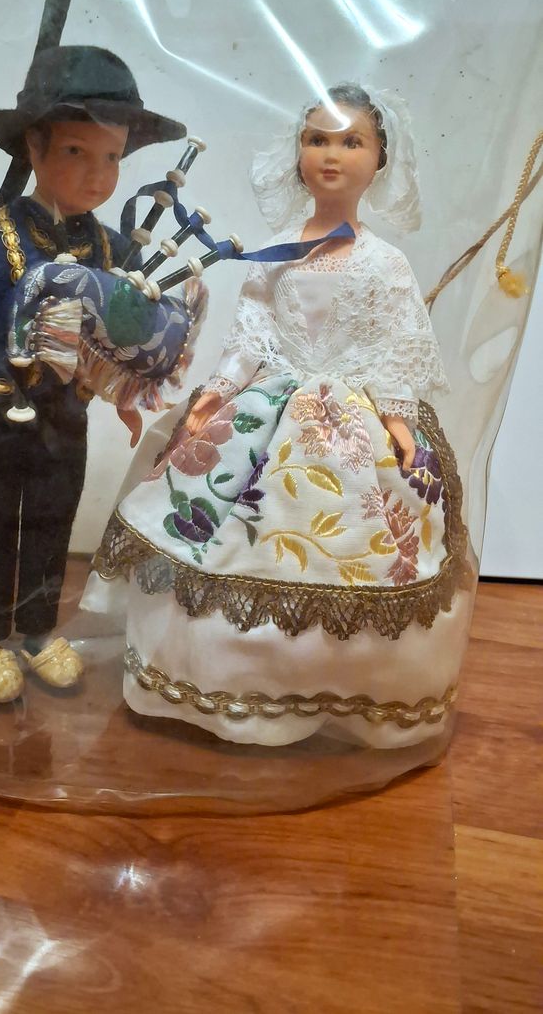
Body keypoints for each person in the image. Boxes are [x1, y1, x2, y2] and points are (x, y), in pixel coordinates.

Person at [86, 83, 471, 748]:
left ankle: (348, 686)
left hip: (350, 424)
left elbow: (395, 344)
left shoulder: (386, 263)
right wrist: (218, 391)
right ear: (297, 153)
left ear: (380, 160)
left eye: (352, 142)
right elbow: (252, 336)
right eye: (317, 139)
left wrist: (398, 420)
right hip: (268, 411)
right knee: (221, 523)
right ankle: (222, 682)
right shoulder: (275, 250)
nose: (332, 155)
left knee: (362, 542)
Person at [0, 45, 186, 703]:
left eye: (111, 157)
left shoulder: (112, 249)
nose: (97, 175)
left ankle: (35, 630)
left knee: (53, 520)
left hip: (66, 412)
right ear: (34, 146)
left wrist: (127, 392)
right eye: (76, 152)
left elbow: (124, 329)